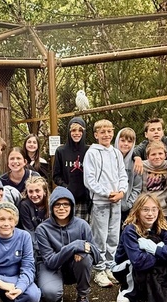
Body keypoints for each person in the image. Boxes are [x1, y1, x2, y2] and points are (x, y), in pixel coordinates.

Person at [34, 187, 100, 302]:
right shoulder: (42, 229)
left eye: (66, 204)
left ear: (72, 206)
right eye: (57, 204)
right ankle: (52, 291)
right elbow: (51, 262)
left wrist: (81, 250)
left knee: (84, 257)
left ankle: (82, 298)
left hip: (72, 266)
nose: (61, 208)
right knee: (51, 294)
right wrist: (75, 246)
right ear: (51, 207)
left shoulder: (82, 225)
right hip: (52, 267)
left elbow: (97, 256)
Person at [112, 193, 167, 302]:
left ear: (159, 211)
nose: (150, 214)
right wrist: (163, 254)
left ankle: (158, 287)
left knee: (165, 259)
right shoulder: (130, 230)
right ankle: (128, 290)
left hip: (149, 263)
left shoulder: (164, 228)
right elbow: (138, 262)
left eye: (154, 209)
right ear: (137, 211)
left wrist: (156, 250)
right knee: (140, 263)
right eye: (145, 209)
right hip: (126, 268)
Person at [83, 119, 129, 288]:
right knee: (100, 237)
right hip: (101, 201)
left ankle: (110, 266)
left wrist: (121, 192)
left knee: (113, 236)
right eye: (102, 132)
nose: (106, 135)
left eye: (109, 131)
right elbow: (89, 179)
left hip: (116, 201)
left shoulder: (116, 153)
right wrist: (106, 193)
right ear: (96, 135)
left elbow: (123, 175)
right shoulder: (92, 153)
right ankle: (99, 270)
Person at [52, 117, 91, 221]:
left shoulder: (90, 150)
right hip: (67, 198)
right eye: (73, 130)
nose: (76, 133)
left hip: (85, 200)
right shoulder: (61, 151)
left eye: (80, 130)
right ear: (69, 132)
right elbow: (56, 176)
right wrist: (67, 187)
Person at [141, 140, 167, 224]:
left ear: (165, 155)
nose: (157, 157)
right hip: (145, 211)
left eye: (160, 153)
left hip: (164, 211)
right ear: (147, 156)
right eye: (153, 154)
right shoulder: (141, 166)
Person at [115, 127, 142, 226]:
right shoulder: (110, 159)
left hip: (127, 208)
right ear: (117, 140)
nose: (126, 144)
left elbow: (137, 187)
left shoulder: (136, 163)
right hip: (109, 205)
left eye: (129, 141)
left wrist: (128, 204)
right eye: (122, 140)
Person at [18, 175, 50, 243]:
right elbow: (30, 231)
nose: (34, 195)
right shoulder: (24, 205)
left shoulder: (51, 205)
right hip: (32, 241)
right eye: (30, 191)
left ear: (44, 192)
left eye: (37, 191)